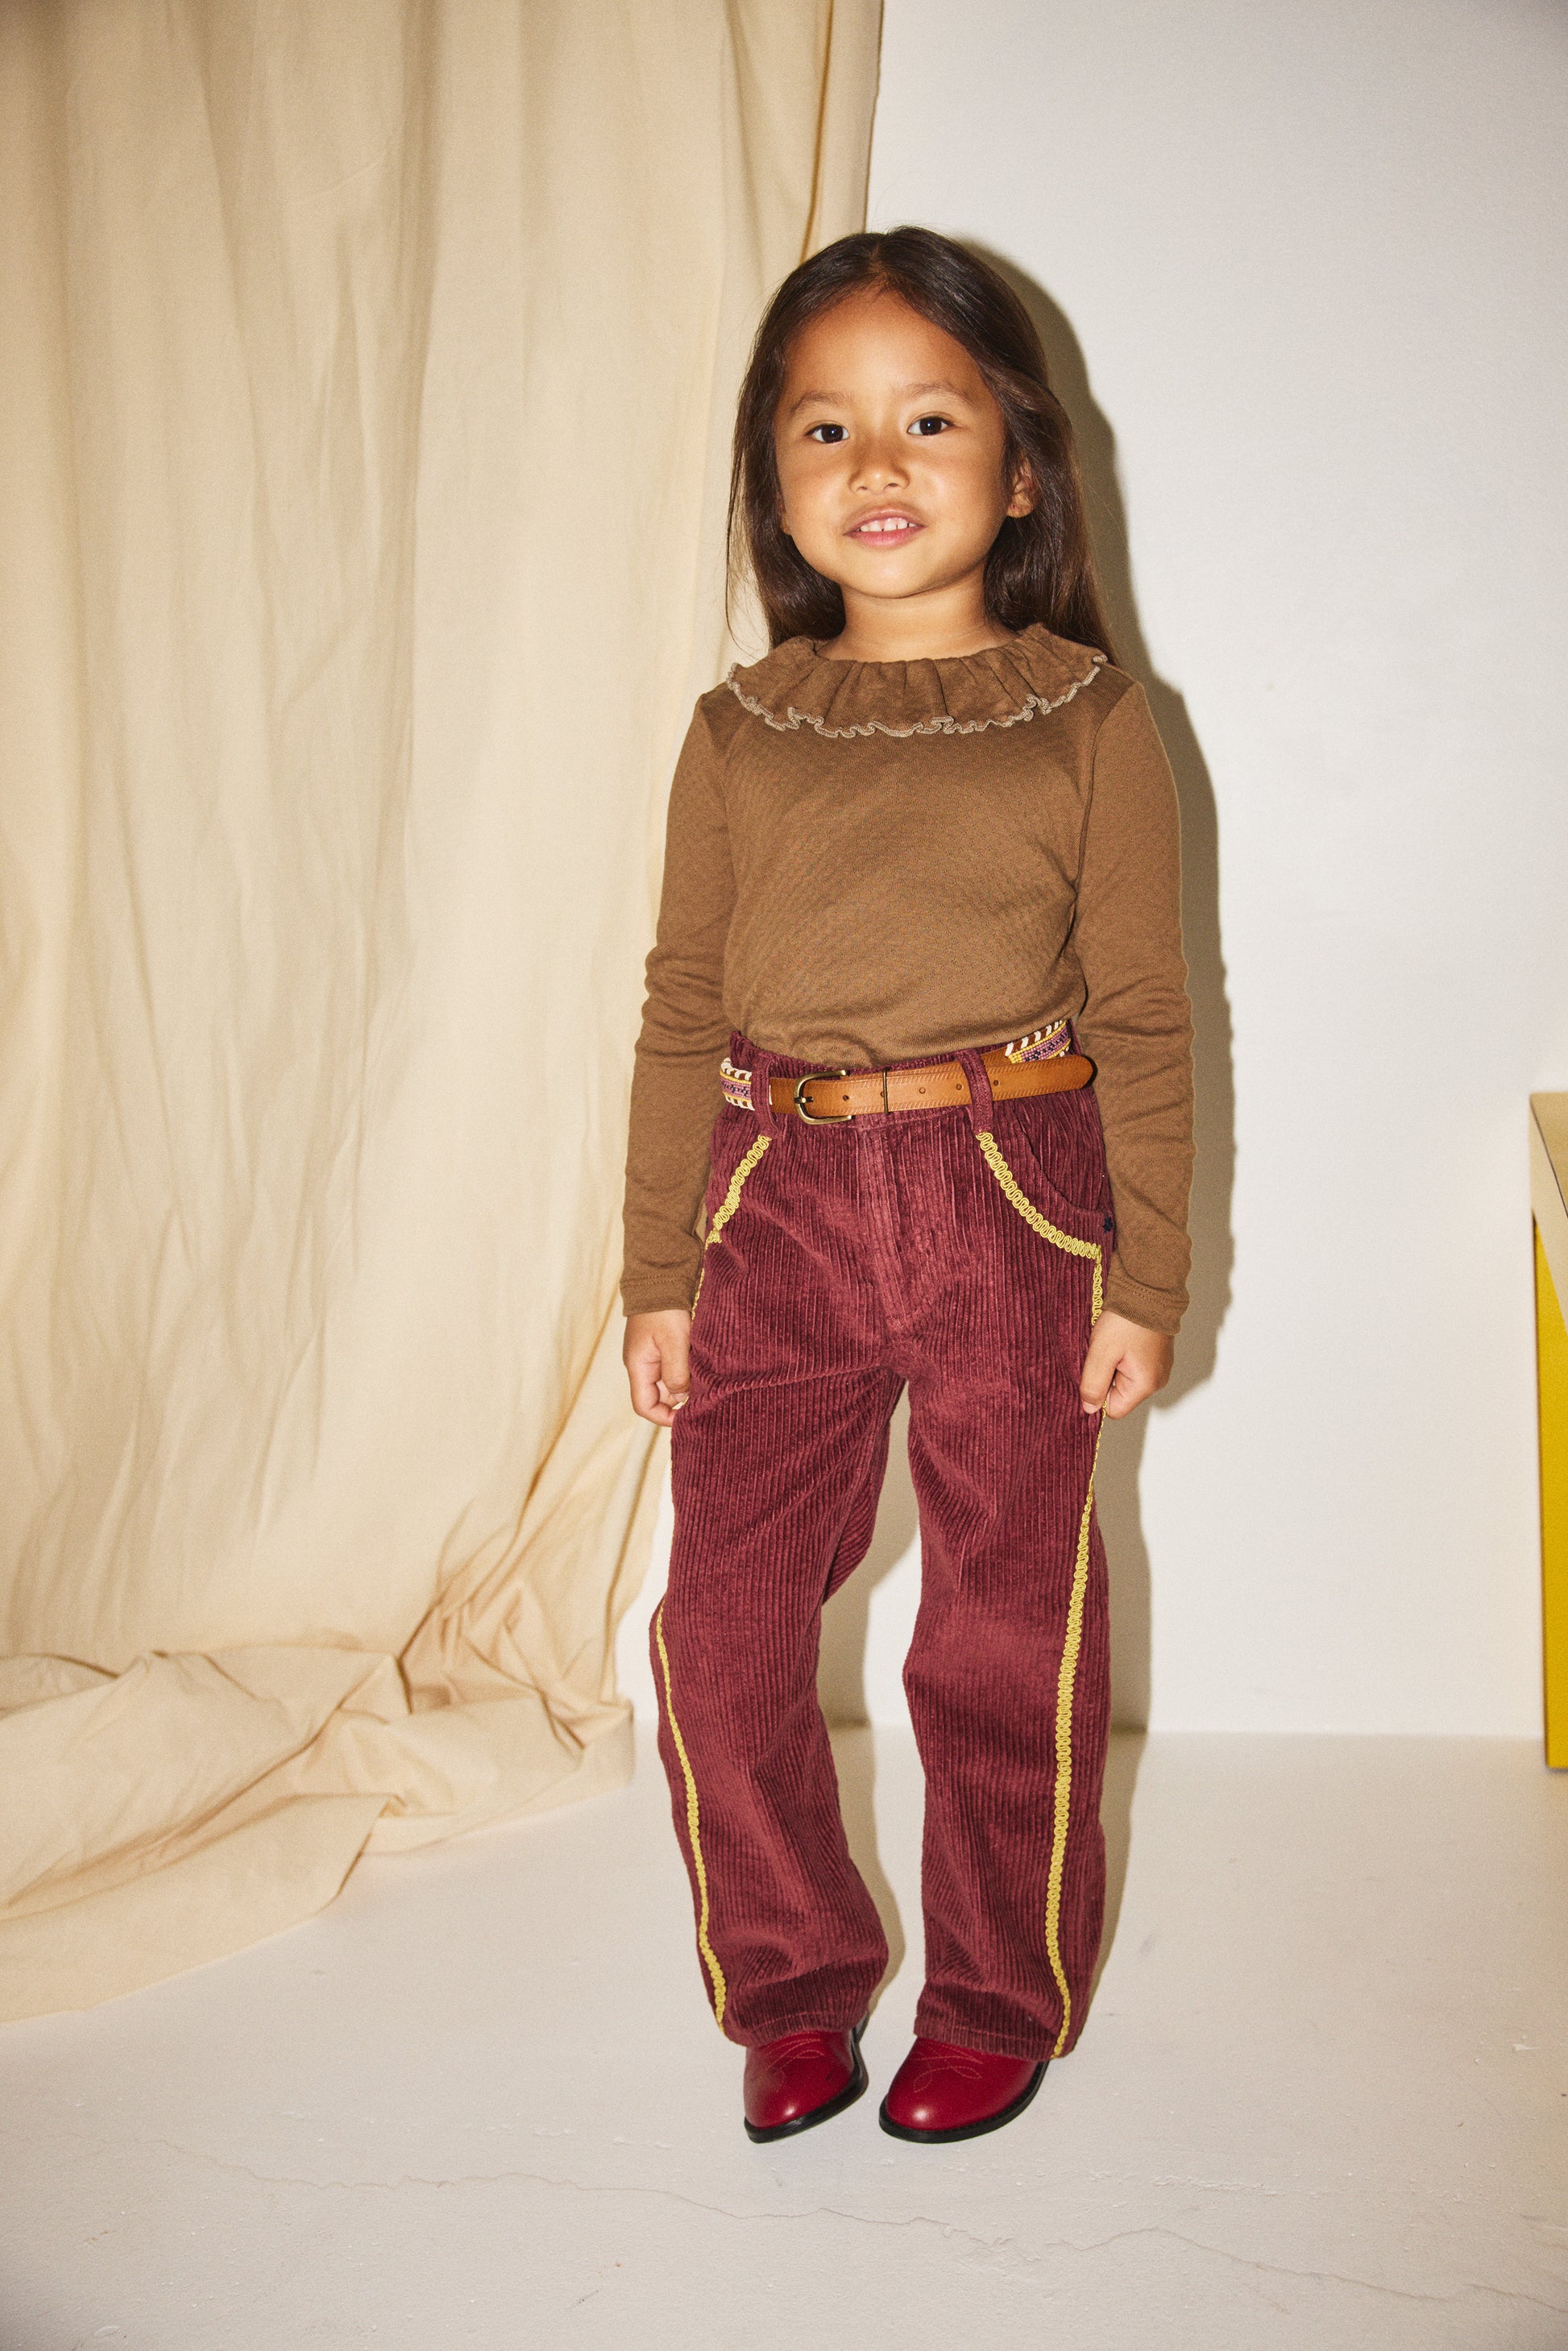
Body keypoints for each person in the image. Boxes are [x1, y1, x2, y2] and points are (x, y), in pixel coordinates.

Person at [620, 227, 1193, 2146]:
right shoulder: (739, 731)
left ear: (1020, 467)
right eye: (824, 427)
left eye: (928, 419)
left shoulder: (1089, 719)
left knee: (1005, 1628)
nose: (875, 462)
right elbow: (678, 1009)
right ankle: (789, 1983)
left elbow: (1148, 1014)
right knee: (722, 1628)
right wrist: (655, 1266)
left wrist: (1146, 1275)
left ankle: (995, 1995)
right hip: (769, 1202)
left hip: (1014, 1199)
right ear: (772, 483)